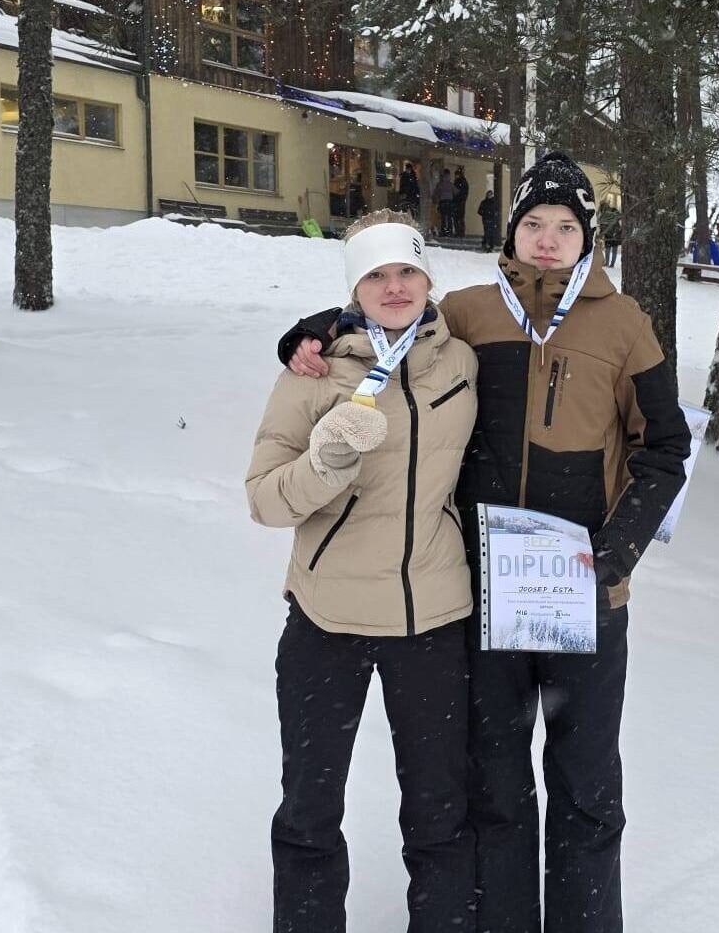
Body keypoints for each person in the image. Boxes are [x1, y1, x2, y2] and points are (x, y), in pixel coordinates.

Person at [279, 151, 692, 933]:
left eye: (564, 226)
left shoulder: (626, 322)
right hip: (489, 591)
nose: (547, 239)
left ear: (587, 237)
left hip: (588, 593)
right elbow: (388, 324)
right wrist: (313, 330)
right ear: (512, 232)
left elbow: (665, 449)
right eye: (533, 223)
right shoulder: (470, 309)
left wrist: (616, 554)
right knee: (495, 782)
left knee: (587, 783)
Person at [245, 210, 480, 933]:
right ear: (354, 286)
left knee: (441, 815)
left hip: (432, 620)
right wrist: (325, 465)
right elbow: (263, 499)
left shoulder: (462, 364)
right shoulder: (312, 374)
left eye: (407, 269)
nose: (395, 285)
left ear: (428, 276)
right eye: (376, 273)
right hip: (327, 621)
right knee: (311, 811)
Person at [433, 168, 456, 237]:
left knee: (443, 217)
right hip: (449, 202)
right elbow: (456, 192)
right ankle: (450, 231)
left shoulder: (440, 184)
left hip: (442, 201)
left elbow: (436, 193)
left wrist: (436, 201)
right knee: (449, 218)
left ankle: (443, 231)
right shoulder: (450, 184)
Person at [599, 202, 622, 268]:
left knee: (611, 249)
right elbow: (602, 225)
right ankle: (609, 263)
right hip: (610, 234)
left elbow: (619, 217)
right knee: (609, 249)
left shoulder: (613, 210)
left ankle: (610, 263)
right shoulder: (605, 214)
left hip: (614, 233)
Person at [453, 166, 471, 238]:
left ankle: (459, 232)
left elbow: (458, 192)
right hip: (461, 202)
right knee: (460, 218)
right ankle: (460, 232)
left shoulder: (459, 182)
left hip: (458, 202)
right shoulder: (463, 182)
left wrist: (457, 198)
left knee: (458, 218)